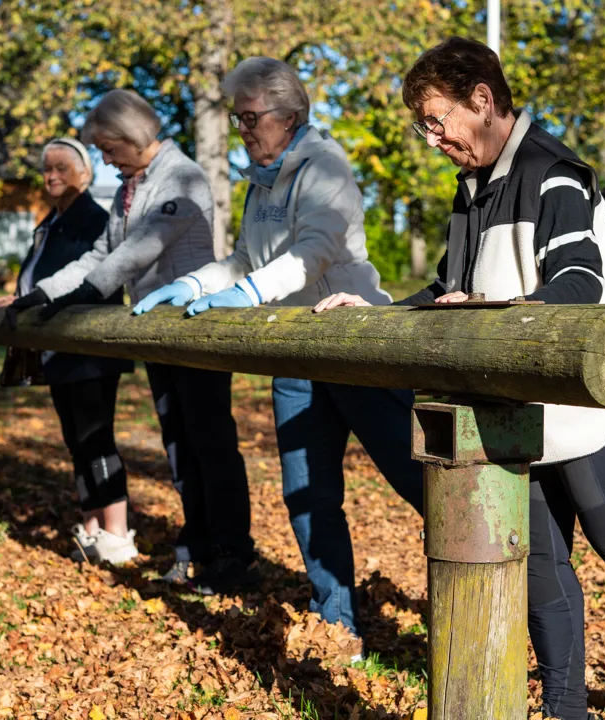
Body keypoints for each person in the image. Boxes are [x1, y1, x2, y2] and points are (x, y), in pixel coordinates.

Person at [316, 38, 605, 720]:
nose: (432, 137)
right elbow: (452, 288)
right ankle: (565, 709)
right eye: (425, 125)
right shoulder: (472, 187)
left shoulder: (555, 173)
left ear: (483, 101)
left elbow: (578, 288)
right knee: (539, 566)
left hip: (590, 399)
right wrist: (377, 310)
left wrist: (484, 312)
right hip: (517, 405)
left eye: (438, 119)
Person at [133, 57, 424, 656]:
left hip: (352, 346)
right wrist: (195, 285)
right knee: (307, 494)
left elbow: (316, 248)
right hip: (292, 350)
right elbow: (245, 258)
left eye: (250, 119)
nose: (243, 131)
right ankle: (337, 622)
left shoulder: (326, 167)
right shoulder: (262, 180)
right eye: (236, 120)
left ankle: (493, 583)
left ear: (288, 116)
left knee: (418, 480)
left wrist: (248, 294)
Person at [6, 90, 256, 591]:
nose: (103, 158)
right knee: (178, 444)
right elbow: (102, 251)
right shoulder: (129, 185)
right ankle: (196, 543)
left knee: (210, 442)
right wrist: (41, 293)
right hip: (157, 333)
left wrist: (87, 292)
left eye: (107, 147)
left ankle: (232, 552)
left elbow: (139, 251)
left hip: (194, 326)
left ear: (131, 137)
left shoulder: (180, 176)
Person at [0, 138, 137, 564]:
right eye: (47, 168)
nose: (52, 175)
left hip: (89, 344)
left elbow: (88, 278)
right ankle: (92, 526)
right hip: (56, 346)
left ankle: (117, 534)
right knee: (74, 438)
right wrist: (13, 300)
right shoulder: (52, 221)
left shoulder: (93, 220)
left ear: (85, 174)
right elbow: (37, 279)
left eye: (62, 167)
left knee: (96, 436)